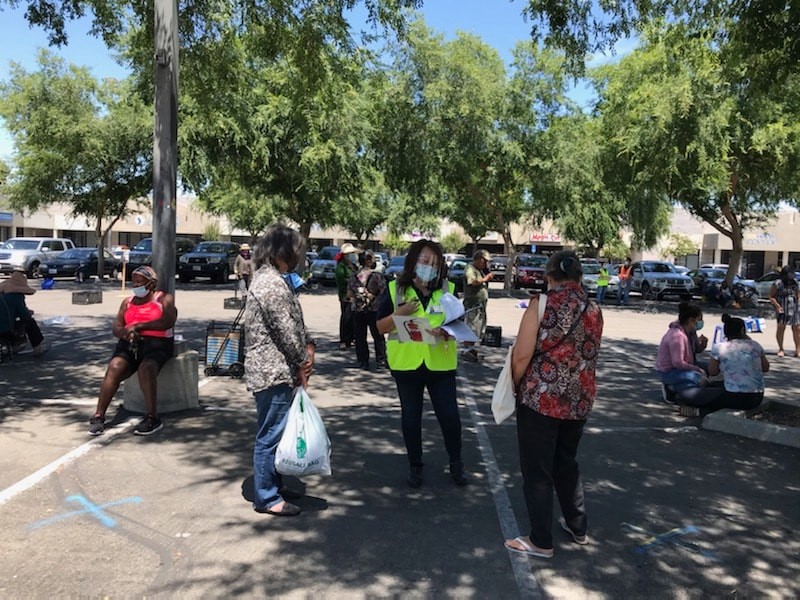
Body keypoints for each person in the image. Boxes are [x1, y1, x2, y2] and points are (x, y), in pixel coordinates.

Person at [505, 251, 603, 559]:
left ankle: (541, 540)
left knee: (537, 471)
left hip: (541, 400)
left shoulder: (541, 304)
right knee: (566, 462)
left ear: (549, 277)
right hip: (579, 400)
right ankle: (578, 525)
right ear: (579, 278)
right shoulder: (594, 308)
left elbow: (521, 355)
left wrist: (514, 385)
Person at [376, 239, 469, 488]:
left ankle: (456, 463)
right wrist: (401, 313)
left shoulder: (448, 288)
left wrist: (449, 332)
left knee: (449, 416)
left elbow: (458, 323)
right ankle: (415, 465)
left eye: (435, 263)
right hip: (406, 364)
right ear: (413, 262)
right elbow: (380, 326)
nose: (430, 266)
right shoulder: (396, 288)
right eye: (425, 261)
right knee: (411, 417)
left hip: (441, 364)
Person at [244, 224, 316, 517]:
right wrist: (303, 361)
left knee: (276, 430)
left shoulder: (270, 278)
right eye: (295, 248)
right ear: (282, 250)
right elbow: (285, 330)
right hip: (272, 370)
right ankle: (266, 496)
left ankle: (272, 483)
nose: (298, 254)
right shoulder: (271, 283)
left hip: (275, 369)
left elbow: (292, 323)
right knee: (270, 434)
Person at [88, 266, 177, 436]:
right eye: (134, 282)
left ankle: (152, 417)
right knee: (114, 367)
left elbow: (167, 321)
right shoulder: (128, 302)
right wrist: (125, 333)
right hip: (129, 343)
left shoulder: (163, 298)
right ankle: (99, 416)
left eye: (140, 282)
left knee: (146, 368)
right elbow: (117, 326)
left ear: (151, 283)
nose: (136, 285)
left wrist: (138, 326)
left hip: (157, 344)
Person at [707, 314, 769, 411]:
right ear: (743, 330)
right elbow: (765, 368)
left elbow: (712, 372)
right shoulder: (756, 345)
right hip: (757, 397)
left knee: (695, 394)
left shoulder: (719, 347)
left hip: (733, 396)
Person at [655, 302, 708, 402]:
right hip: (669, 371)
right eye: (699, 319)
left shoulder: (691, 332)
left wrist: (703, 345)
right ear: (691, 320)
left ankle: (675, 389)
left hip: (685, 366)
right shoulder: (677, 336)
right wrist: (698, 370)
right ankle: (671, 387)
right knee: (699, 379)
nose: (701, 322)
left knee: (707, 372)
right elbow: (678, 363)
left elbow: (695, 350)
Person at [347, 250, 387, 369]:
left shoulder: (354, 276)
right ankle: (381, 359)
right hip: (374, 309)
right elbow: (384, 292)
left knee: (360, 336)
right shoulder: (377, 276)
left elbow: (349, 294)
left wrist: (358, 296)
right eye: (373, 259)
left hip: (357, 309)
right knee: (378, 335)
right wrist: (372, 296)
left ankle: (363, 361)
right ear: (368, 261)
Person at [0, 269, 51, 356]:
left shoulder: (3, 294)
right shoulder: (16, 296)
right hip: (5, 327)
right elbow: (24, 315)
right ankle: (38, 347)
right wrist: (29, 312)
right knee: (30, 322)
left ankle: (12, 346)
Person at [462, 249, 492, 362]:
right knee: (471, 327)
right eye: (484, 261)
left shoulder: (479, 270)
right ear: (479, 259)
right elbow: (472, 281)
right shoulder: (470, 269)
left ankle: (471, 349)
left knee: (477, 328)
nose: (485, 264)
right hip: (472, 304)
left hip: (479, 305)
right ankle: (467, 350)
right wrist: (485, 279)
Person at [768, 265, 800, 357]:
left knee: (797, 329)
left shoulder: (795, 283)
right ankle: (781, 349)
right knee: (781, 328)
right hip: (782, 308)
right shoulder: (778, 283)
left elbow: (798, 295)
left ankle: (798, 350)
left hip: (795, 309)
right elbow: (771, 296)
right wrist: (777, 306)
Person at [335, 243, 360, 350]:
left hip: (355, 295)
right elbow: (341, 281)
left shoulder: (353, 266)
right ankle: (344, 340)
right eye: (349, 254)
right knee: (346, 317)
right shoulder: (341, 266)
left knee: (353, 317)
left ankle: (351, 338)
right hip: (345, 295)